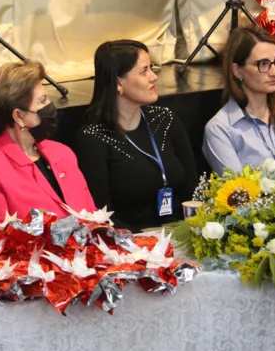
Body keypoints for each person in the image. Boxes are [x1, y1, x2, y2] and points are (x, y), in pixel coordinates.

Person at [73, 40, 198, 233]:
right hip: (134, 243)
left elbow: (193, 186)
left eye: (152, 69)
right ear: (118, 82)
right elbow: (102, 215)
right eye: (144, 71)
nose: (154, 77)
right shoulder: (94, 137)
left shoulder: (164, 119)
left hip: (183, 231)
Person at [0, 61, 96, 227]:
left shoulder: (62, 153)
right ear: (18, 116)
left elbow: (92, 216)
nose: (51, 106)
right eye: (42, 101)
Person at [202, 26, 275, 175]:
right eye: (263, 64)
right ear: (237, 70)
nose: (274, 72)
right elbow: (238, 192)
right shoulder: (220, 129)